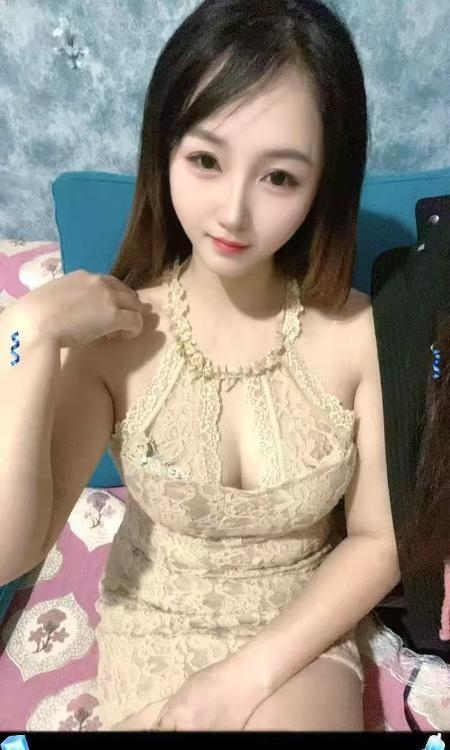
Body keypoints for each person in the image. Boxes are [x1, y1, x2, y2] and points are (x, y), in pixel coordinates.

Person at [0, 0, 402, 731]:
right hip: (154, 629)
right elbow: (10, 552)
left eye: (278, 177)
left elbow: (379, 540)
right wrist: (23, 335)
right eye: (207, 161)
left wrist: (242, 678)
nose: (232, 213)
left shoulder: (358, 334)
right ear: (164, 149)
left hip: (301, 639)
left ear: (324, 183)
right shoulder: (117, 339)